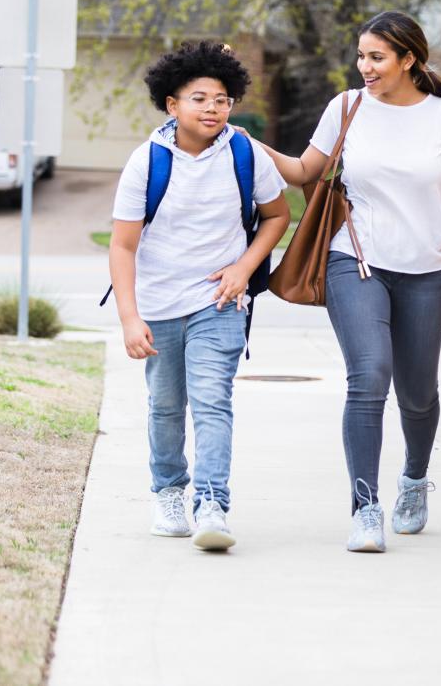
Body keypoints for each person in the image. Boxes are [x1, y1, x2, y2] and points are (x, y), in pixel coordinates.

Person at [245, 11, 441, 553]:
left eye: (377, 57)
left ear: (409, 59)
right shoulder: (346, 107)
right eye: (361, 56)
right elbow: (305, 171)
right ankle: (365, 508)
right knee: (368, 377)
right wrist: (248, 142)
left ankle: (414, 478)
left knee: (418, 394)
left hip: (425, 272)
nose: (365, 67)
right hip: (353, 260)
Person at [108, 41, 291, 551]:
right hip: (159, 304)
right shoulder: (146, 162)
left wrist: (243, 268)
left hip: (220, 303)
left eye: (222, 99)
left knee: (212, 401)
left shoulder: (244, 152)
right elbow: (123, 247)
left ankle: (212, 503)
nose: (212, 108)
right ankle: (168, 490)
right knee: (166, 407)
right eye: (199, 98)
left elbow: (278, 215)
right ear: (172, 104)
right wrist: (129, 318)